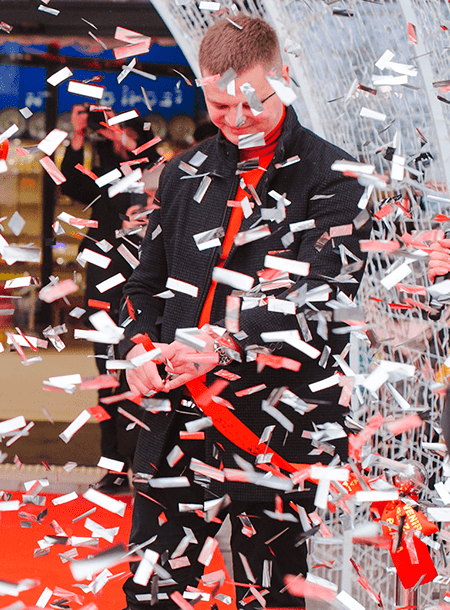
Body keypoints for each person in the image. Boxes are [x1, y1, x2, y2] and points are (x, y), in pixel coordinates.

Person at [117, 16, 368, 609]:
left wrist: (223, 342)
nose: (234, 119)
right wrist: (136, 349)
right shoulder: (182, 174)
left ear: (283, 78)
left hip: (275, 428)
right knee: (151, 593)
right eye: (219, 105)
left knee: (270, 598)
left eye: (250, 102)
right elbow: (142, 288)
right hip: (175, 424)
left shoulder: (336, 179)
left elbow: (320, 296)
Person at [60, 104, 149, 494]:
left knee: (146, 379)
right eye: (108, 128)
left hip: (144, 291)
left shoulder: (158, 174)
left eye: (119, 129)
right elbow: (69, 185)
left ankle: (146, 465)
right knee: (107, 380)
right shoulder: (104, 176)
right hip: (104, 293)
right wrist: (78, 136)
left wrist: (126, 143)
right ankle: (114, 467)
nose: (110, 134)